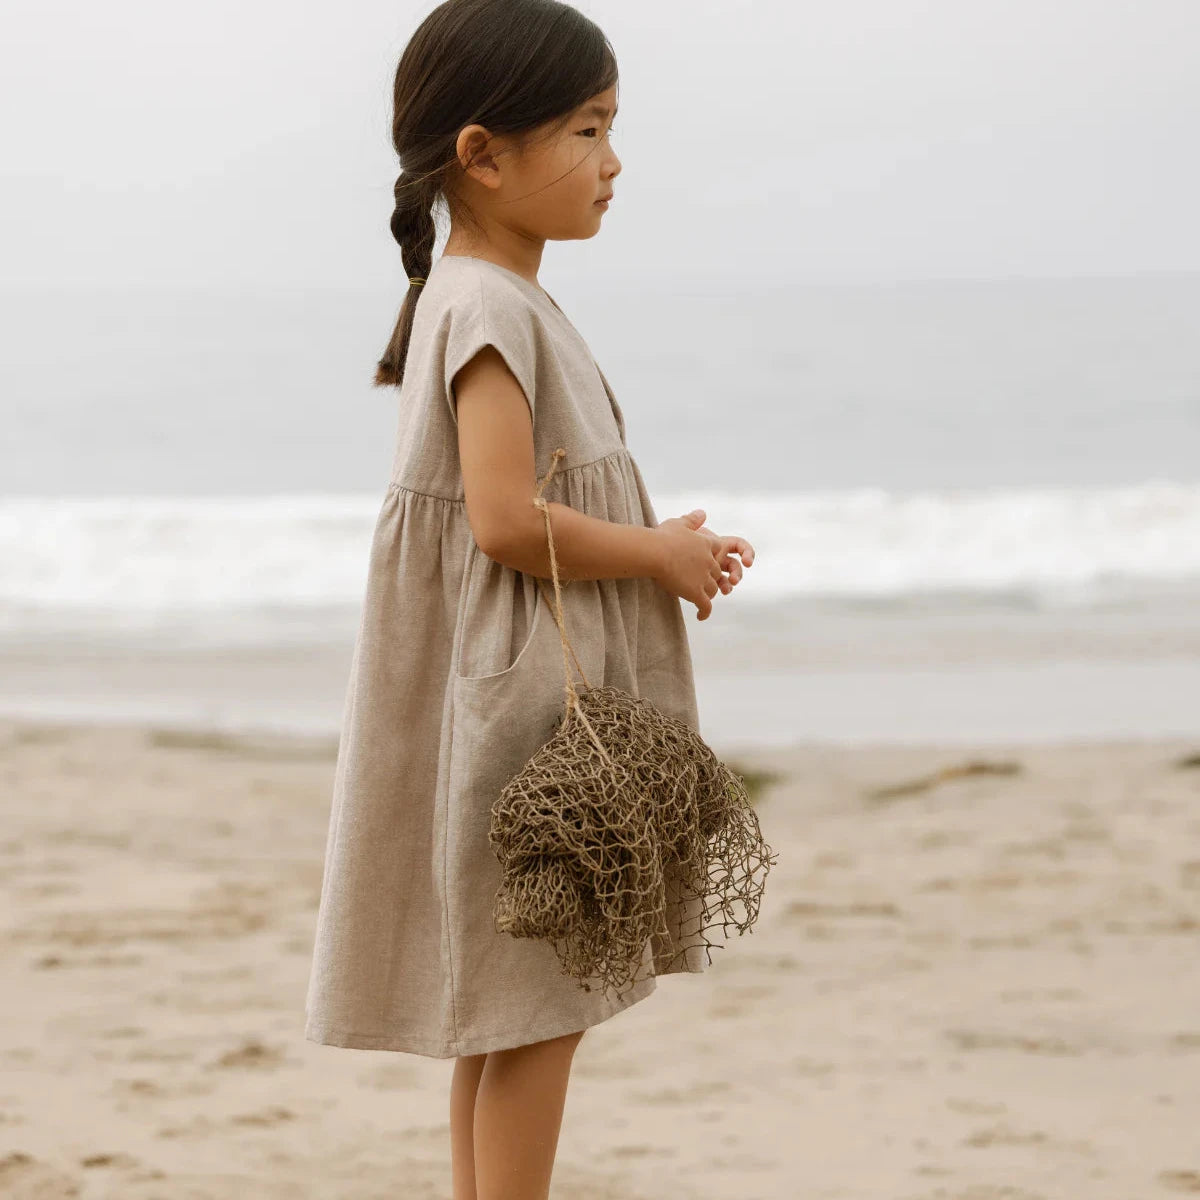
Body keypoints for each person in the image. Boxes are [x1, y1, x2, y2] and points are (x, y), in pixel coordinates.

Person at [303, 1, 755, 1196]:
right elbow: (505, 520)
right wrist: (655, 555)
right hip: (520, 707)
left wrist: (650, 538)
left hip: (505, 685)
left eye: (612, 128)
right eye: (586, 129)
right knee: (541, 1006)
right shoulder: (490, 307)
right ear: (482, 154)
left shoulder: (482, 294)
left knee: (506, 1012)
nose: (614, 162)